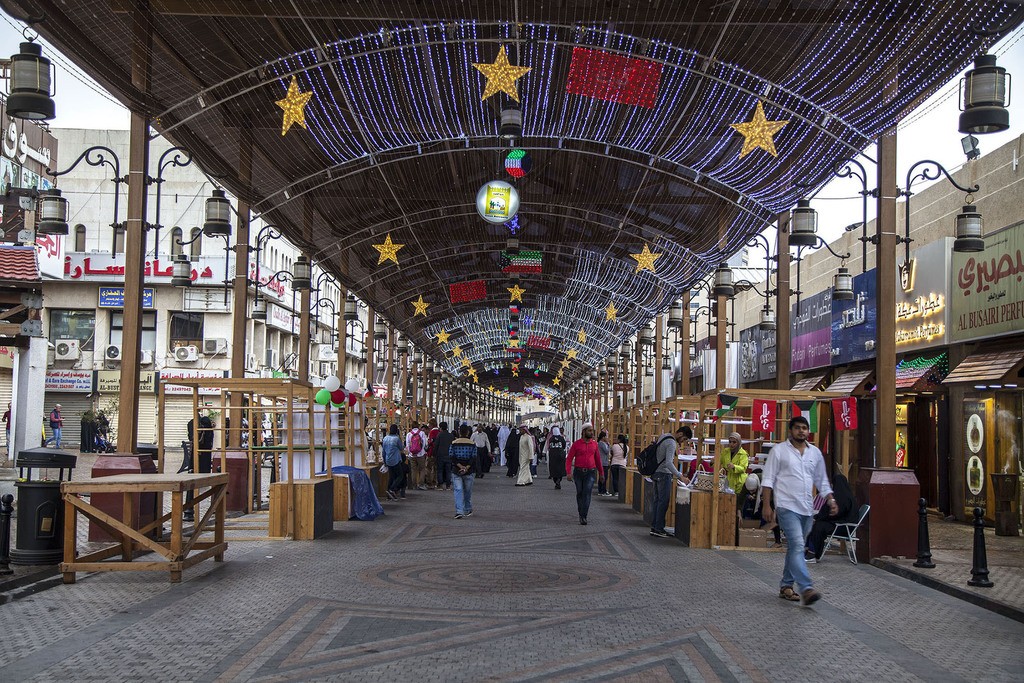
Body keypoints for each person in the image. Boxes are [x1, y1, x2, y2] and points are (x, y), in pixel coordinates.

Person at [762, 415, 839, 606]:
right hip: (786, 506)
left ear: (808, 431)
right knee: (797, 545)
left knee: (796, 548)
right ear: (791, 430)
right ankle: (806, 588)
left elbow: (821, 480)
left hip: (807, 509)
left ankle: (786, 585)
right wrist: (766, 505)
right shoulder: (779, 451)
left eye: (804, 428)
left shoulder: (815, 453)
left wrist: (830, 499)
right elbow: (768, 479)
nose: (801, 431)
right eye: (797, 428)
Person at [806, 473, 857, 561]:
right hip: (839, 524)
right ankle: (808, 550)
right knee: (814, 525)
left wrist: (817, 518)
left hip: (843, 527)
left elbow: (832, 514)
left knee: (818, 527)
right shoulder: (846, 496)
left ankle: (812, 553)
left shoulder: (842, 498)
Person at [650, 428, 688, 537]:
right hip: (664, 474)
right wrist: (680, 476)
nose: (682, 442)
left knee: (657, 501)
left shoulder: (664, 435)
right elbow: (668, 463)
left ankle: (654, 527)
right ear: (680, 434)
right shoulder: (671, 443)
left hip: (655, 472)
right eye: (683, 438)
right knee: (663, 502)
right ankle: (659, 529)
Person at [566, 424, 603, 525]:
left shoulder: (594, 444)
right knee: (580, 493)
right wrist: (568, 472)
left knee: (587, 493)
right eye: (590, 431)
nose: (592, 433)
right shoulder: (576, 444)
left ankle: (583, 515)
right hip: (578, 472)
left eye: (592, 431)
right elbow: (569, 459)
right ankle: (581, 512)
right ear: (584, 432)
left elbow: (598, 459)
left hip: (590, 472)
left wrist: (601, 473)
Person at [183, 411, 215, 521]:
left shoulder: (195, 424)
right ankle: (189, 511)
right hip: (203, 456)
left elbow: (192, 438)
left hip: (198, 457)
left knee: (194, 474)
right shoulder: (202, 426)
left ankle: (189, 511)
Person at [449, 424, 477, 518]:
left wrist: (459, 466)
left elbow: (451, 456)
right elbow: (474, 457)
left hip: (456, 470)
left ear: (459, 431)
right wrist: (466, 467)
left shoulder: (454, 443)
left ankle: (459, 511)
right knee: (467, 491)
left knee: (458, 490)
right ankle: (467, 509)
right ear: (468, 432)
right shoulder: (472, 444)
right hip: (469, 471)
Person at [719, 432, 750, 507]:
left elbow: (743, 468)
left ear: (739, 442)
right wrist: (712, 462)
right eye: (730, 442)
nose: (731, 444)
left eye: (734, 442)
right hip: (728, 481)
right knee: (728, 506)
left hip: (739, 482)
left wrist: (734, 467)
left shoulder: (743, 454)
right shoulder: (725, 452)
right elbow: (719, 461)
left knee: (737, 506)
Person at [381, 424, 406, 500]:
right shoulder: (396, 439)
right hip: (395, 460)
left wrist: (384, 461)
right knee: (400, 475)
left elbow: (383, 451)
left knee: (391, 477)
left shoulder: (385, 438)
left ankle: (389, 494)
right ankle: (392, 489)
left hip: (388, 460)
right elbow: (401, 448)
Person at [406, 422, 428, 490]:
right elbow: (425, 443)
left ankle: (414, 485)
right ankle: (421, 484)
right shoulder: (422, 433)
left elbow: (407, 445)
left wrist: (410, 453)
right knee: (422, 469)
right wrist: (423, 451)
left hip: (412, 455)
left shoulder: (409, 434)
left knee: (413, 470)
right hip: (421, 454)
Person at [433, 421, 454, 491]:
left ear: (441, 427)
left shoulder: (439, 435)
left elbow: (436, 445)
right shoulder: (451, 435)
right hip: (449, 456)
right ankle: (448, 485)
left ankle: (440, 485)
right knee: (448, 471)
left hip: (440, 455)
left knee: (440, 470)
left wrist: (434, 453)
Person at [596, 431, 613, 496]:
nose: (607, 438)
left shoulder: (600, 443)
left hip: (602, 462)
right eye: (606, 436)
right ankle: (603, 491)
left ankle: (601, 490)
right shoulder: (601, 443)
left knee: (602, 476)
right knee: (604, 476)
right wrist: (608, 445)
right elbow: (606, 451)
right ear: (603, 437)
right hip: (603, 462)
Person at [425, 418, 440, 489]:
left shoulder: (432, 432)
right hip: (437, 453)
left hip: (431, 452)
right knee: (435, 468)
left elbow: (430, 442)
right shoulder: (439, 431)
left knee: (428, 467)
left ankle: (429, 483)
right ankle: (435, 482)